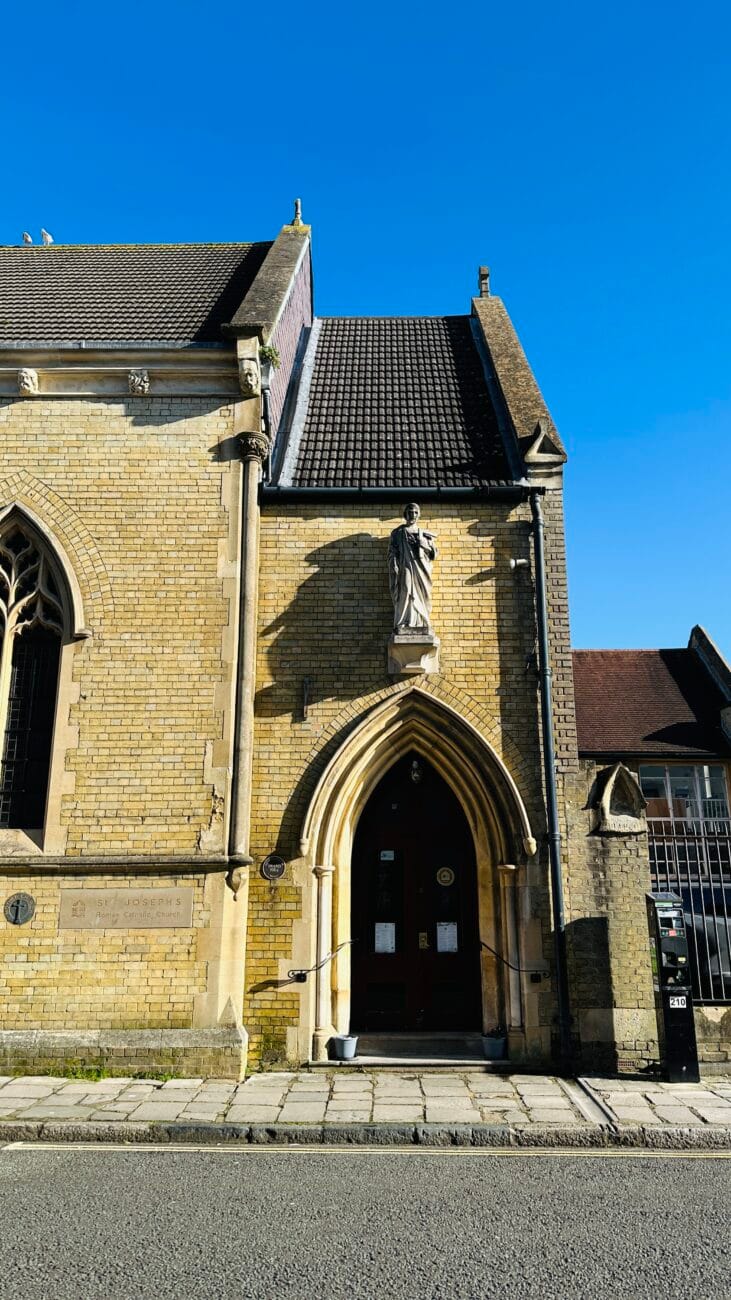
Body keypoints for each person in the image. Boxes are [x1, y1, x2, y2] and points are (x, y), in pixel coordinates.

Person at [387, 503, 437, 632]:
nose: (412, 515)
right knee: (406, 589)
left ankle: (421, 621)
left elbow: (433, 553)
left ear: (418, 515)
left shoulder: (424, 534)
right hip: (405, 566)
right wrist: (394, 563)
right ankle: (404, 621)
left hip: (421, 569)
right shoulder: (398, 532)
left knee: (421, 594)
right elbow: (392, 551)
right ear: (405, 514)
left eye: (415, 512)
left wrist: (424, 545)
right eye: (410, 512)